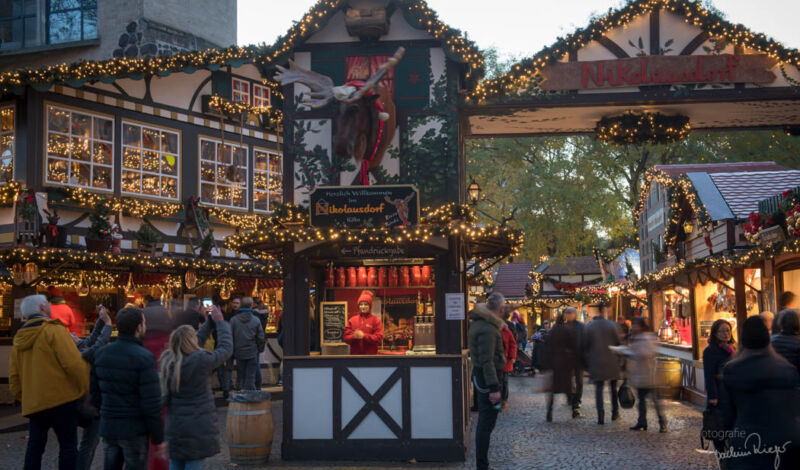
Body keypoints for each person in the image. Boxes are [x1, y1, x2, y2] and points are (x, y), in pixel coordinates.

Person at [10, 295, 89, 470]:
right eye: (47, 304)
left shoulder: (19, 339)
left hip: (35, 402)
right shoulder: (55, 331)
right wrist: (84, 388)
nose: (50, 307)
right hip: (62, 400)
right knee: (68, 447)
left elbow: (14, 376)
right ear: (42, 309)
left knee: (35, 449)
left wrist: (25, 396)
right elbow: (74, 364)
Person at [719, 316, 800, 469]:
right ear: (767, 340)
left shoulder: (732, 371)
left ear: (743, 341)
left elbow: (727, 416)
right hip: (787, 445)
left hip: (748, 445)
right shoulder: (787, 369)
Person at [91, 307, 166, 469]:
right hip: (134, 429)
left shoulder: (101, 354)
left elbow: (95, 394)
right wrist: (158, 437)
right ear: (139, 327)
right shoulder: (144, 357)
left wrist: (104, 414)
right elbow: (151, 403)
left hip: (109, 426)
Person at [160, 305, 233, 470]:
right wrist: (220, 323)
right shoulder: (201, 360)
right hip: (198, 427)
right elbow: (226, 349)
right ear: (191, 341)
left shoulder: (168, 361)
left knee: (176, 463)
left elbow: (193, 341)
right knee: (194, 463)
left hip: (175, 427)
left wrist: (208, 323)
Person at [468, 292, 506, 470]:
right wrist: (494, 388)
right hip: (487, 379)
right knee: (485, 424)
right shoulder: (487, 329)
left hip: (484, 376)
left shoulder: (482, 324)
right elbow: (487, 361)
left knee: (486, 423)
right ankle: (482, 466)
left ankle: (483, 464)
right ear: (500, 308)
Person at [76, 306, 113, 470]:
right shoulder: (81, 353)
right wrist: (108, 325)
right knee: (89, 442)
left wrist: (101, 319)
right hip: (88, 401)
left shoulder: (79, 348)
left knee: (90, 442)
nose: (73, 335)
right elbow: (97, 344)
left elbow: (91, 339)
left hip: (87, 399)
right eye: (70, 336)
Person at [624, 317, 667, 433]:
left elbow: (647, 353)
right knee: (641, 401)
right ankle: (642, 422)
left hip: (649, 375)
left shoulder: (647, 338)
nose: (634, 327)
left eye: (636, 325)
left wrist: (632, 352)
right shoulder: (636, 338)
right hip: (640, 374)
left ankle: (662, 423)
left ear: (642, 326)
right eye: (633, 325)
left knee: (655, 401)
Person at [583, 302, 622, 425]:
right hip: (611, 361)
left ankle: (601, 416)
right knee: (613, 389)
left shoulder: (590, 326)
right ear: (604, 311)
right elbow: (619, 343)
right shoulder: (612, 325)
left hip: (596, 361)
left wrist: (587, 362)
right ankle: (615, 413)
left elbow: (585, 345)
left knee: (599, 389)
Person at [702, 319, 735, 455]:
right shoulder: (710, 351)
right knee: (719, 426)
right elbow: (709, 375)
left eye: (727, 330)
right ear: (715, 333)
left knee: (732, 427)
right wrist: (713, 397)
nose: (725, 334)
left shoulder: (734, 348)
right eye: (722, 331)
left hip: (733, 394)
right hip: (720, 394)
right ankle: (721, 456)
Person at [543, 308, 582, 421]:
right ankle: (574, 409)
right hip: (565, 363)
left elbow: (547, 346)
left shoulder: (552, 331)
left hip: (554, 363)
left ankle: (549, 411)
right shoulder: (567, 330)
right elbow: (573, 345)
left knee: (552, 389)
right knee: (568, 387)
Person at [230, 297, 266, 390]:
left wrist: (232, 350)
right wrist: (260, 349)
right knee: (251, 375)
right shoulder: (256, 320)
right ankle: (251, 396)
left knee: (240, 374)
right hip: (252, 351)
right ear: (251, 305)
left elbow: (230, 337)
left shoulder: (234, 320)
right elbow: (261, 337)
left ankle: (239, 394)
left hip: (239, 351)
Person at [343, 290, 384, 355]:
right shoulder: (352, 320)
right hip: (354, 357)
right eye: (361, 304)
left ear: (370, 306)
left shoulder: (376, 320)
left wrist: (364, 336)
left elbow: (379, 338)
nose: (363, 307)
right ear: (358, 306)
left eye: (366, 304)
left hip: (371, 358)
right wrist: (354, 336)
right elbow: (346, 338)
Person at [564, 307, 585, 413]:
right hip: (566, 359)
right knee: (568, 380)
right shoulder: (563, 327)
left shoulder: (581, 326)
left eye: (570, 313)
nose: (568, 315)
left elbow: (585, 341)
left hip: (578, 358)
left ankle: (577, 401)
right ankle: (570, 397)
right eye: (567, 313)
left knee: (579, 381)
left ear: (575, 314)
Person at [501, 307, 517, 409]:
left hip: (505, 359)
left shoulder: (507, 328)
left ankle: (503, 400)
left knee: (504, 381)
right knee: (501, 381)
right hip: (498, 359)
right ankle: (500, 400)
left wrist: (512, 356)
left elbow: (512, 343)